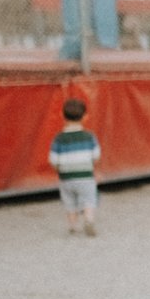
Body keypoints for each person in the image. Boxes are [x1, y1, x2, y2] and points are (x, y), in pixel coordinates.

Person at [49, 96, 101, 236]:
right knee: (89, 200)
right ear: (85, 117)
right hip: (85, 176)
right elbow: (96, 155)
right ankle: (89, 220)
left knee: (70, 203)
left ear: (62, 116)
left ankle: (72, 226)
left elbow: (53, 160)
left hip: (66, 178)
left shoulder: (58, 139)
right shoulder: (90, 137)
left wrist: (59, 170)